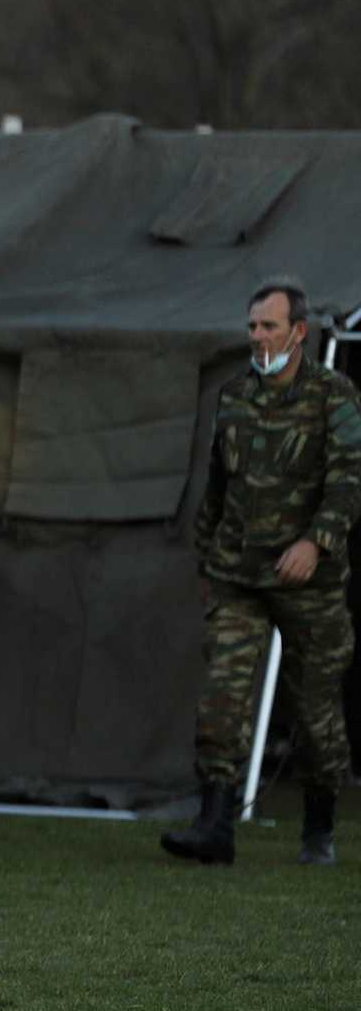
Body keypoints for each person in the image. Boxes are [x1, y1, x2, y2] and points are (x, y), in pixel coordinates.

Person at [163, 276, 361, 868]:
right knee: (222, 698)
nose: (256, 336)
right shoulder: (234, 396)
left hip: (310, 584)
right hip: (238, 576)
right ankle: (214, 827)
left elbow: (349, 481)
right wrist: (207, 558)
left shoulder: (335, 396)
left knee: (315, 714)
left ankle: (319, 829)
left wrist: (316, 543)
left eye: (268, 326)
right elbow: (218, 485)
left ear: (298, 332)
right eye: (251, 326)